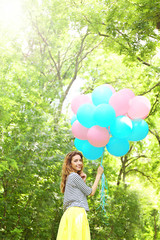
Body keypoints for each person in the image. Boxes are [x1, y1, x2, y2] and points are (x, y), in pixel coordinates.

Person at [56, 150, 104, 240]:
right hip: (76, 213)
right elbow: (91, 192)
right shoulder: (74, 176)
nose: (79, 163)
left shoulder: (69, 177)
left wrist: (82, 181)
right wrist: (98, 174)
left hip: (70, 214)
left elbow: (78, 194)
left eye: (80, 160)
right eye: (75, 161)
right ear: (69, 164)